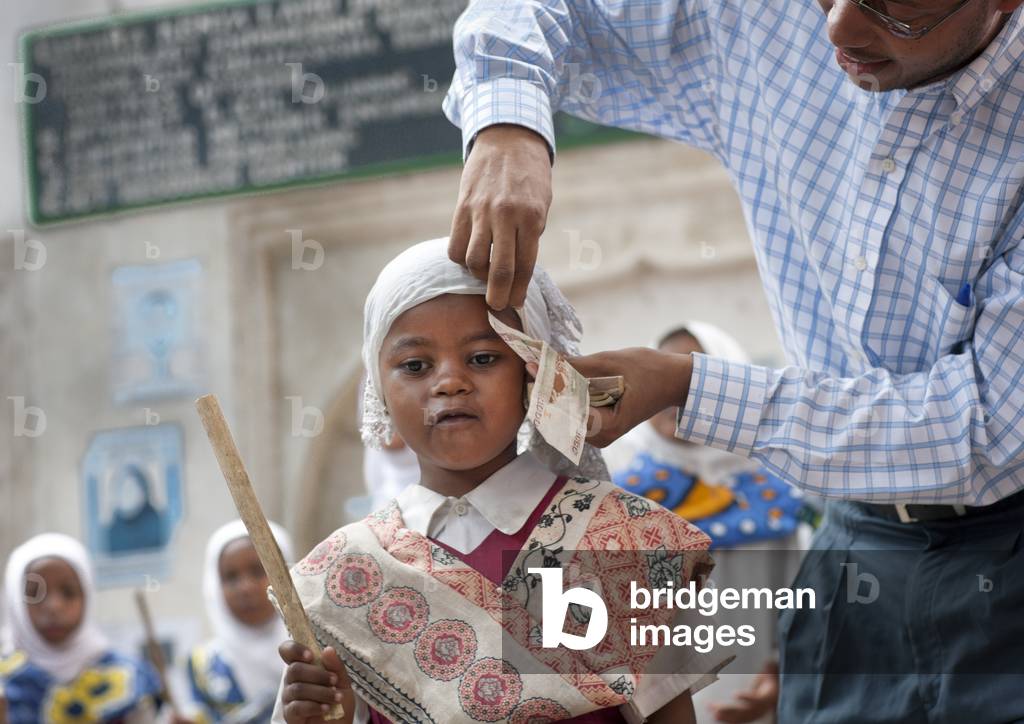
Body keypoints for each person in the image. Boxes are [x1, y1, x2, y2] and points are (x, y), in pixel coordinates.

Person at [441, 0, 1024, 720]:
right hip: (856, 550)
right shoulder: (760, 20)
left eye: (893, 9)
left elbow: (984, 429)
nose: (838, 29)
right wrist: (509, 124)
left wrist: (688, 388)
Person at [273, 238, 730, 724]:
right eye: (415, 365)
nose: (449, 381)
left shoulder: (621, 541)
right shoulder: (345, 574)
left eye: (483, 358)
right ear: (379, 390)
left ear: (533, 373)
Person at [605, 323, 810, 724]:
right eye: (660, 383)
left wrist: (788, 677)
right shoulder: (619, 504)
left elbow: (806, 611)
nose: (673, 399)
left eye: (692, 382)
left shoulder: (776, 498)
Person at [0, 533, 163, 723]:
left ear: (88, 594)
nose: (54, 607)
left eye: (68, 592)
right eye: (35, 593)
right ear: (14, 601)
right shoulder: (4, 680)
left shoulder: (131, 678)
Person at [185, 520, 293, 723]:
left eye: (258, 571)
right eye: (231, 577)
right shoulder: (204, 665)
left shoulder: (318, 648)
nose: (245, 588)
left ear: (286, 572)